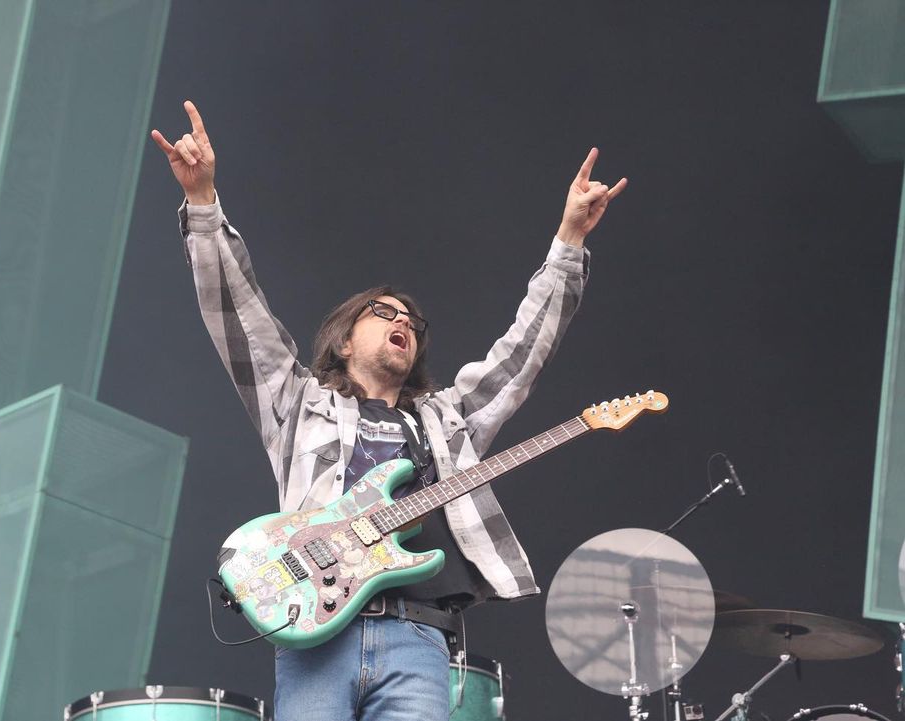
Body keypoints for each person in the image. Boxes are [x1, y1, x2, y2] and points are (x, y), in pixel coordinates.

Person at [151, 100, 626, 721]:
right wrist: (203, 203)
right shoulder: (299, 402)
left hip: (419, 640)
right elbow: (240, 318)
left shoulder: (446, 420)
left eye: (412, 321)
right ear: (344, 341)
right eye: (383, 313)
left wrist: (568, 243)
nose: (403, 322)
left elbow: (520, 355)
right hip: (315, 632)